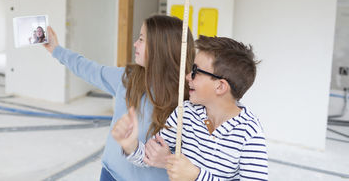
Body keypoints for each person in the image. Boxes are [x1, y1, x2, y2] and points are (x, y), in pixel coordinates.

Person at [44, 15, 195, 181]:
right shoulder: (129, 78)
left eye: (142, 39)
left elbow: (199, 162)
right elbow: (90, 69)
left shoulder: (187, 101)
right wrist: (55, 49)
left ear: (161, 49)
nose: (135, 44)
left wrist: (168, 160)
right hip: (109, 174)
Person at [112, 35, 268, 181]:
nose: (187, 76)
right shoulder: (185, 111)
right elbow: (150, 155)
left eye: (195, 71)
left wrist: (196, 175)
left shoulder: (249, 132)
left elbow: (191, 173)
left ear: (220, 87)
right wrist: (130, 143)